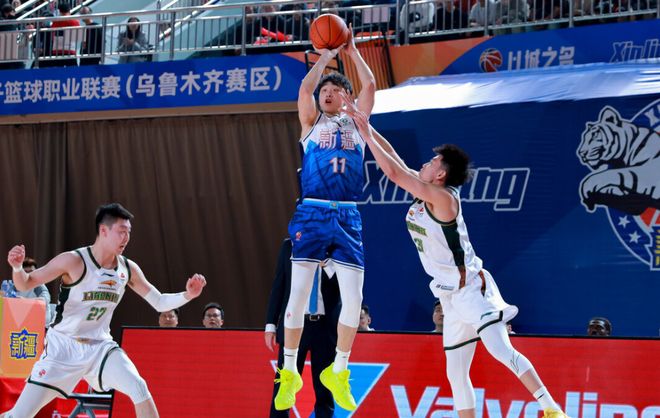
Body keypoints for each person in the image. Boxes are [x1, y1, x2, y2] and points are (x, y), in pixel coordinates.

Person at [342, 99, 569, 418]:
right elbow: (396, 161)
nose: (425, 163)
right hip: (449, 295)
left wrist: (365, 133)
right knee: (456, 372)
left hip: (471, 289)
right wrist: (366, 126)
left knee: (501, 350)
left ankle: (552, 409)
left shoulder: (443, 199)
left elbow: (393, 172)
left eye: (432, 161)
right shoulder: (426, 190)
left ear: (441, 174)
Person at [1, 203, 206, 418]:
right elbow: (24, 284)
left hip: (100, 348)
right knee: (20, 415)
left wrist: (188, 295)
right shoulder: (73, 260)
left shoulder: (127, 269)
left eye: (129, 232)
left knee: (139, 388)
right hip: (63, 348)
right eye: (121, 231)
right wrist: (17, 267)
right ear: (103, 231)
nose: (126, 238)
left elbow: (160, 302)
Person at [274, 21, 376, 413]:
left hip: (348, 215)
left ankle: (340, 369)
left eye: (335, 89)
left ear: (346, 96)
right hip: (313, 212)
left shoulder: (358, 124)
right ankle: (289, 373)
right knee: (298, 294)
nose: (327, 93)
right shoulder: (311, 123)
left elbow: (370, 86)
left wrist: (352, 52)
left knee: (354, 299)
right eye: (325, 91)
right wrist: (326, 56)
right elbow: (304, 90)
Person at [266, 239, 340, 418]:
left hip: (325, 326)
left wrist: (327, 264)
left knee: (325, 388)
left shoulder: (336, 246)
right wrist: (270, 324)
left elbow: (348, 284)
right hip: (294, 324)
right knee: (284, 385)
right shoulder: (290, 245)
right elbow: (279, 284)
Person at [41, 2, 80, 68]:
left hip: (57, 50)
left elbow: (52, 34)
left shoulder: (56, 21)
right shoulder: (74, 21)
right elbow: (78, 36)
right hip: (70, 50)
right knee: (73, 71)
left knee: (58, 71)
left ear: (59, 11)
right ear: (69, 10)